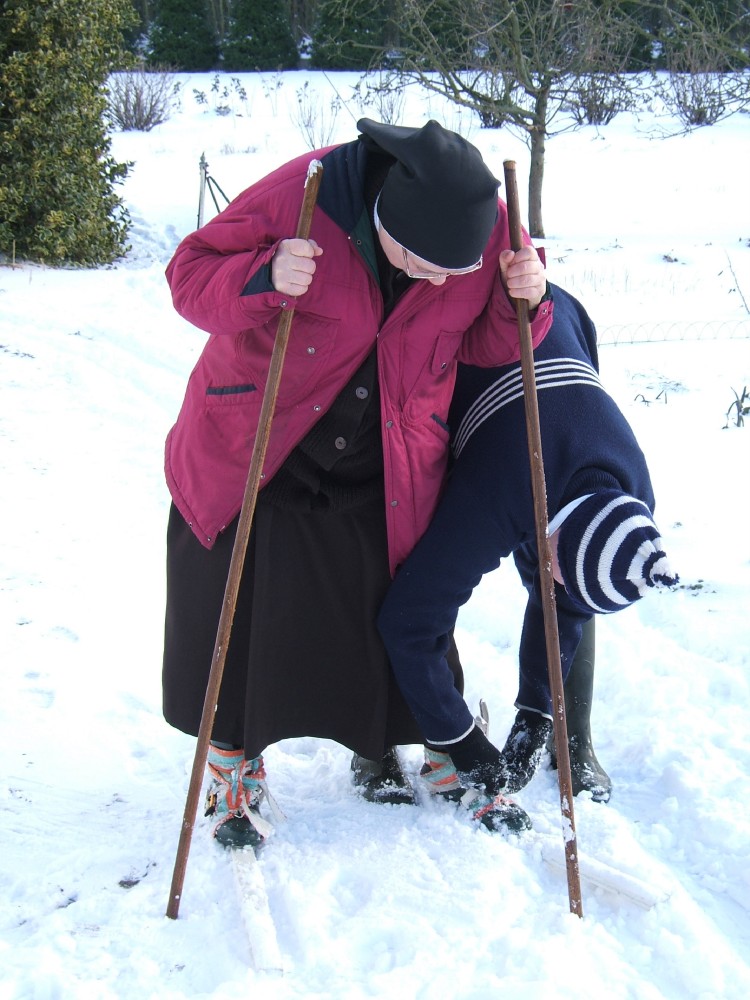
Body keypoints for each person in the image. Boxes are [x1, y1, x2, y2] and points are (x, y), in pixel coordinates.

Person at [161, 118, 553, 848]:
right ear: (388, 221)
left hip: (388, 457)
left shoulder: (490, 231)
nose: (441, 281)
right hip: (259, 445)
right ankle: (231, 768)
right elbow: (188, 274)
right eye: (426, 264)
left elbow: (494, 342)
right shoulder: (306, 195)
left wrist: (522, 299)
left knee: (403, 608)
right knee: (233, 609)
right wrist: (264, 275)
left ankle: (436, 742)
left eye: (456, 272)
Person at [377, 283, 678, 832]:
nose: (552, 585)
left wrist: (535, 714)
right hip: (462, 331)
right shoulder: (497, 491)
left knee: (570, 585)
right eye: (554, 568)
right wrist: (464, 742)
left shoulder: (631, 500)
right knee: (404, 559)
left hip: (568, 326)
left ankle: (568, 732)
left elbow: (570, 599)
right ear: (549, 533)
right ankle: (374, 736)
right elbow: (410, 622)